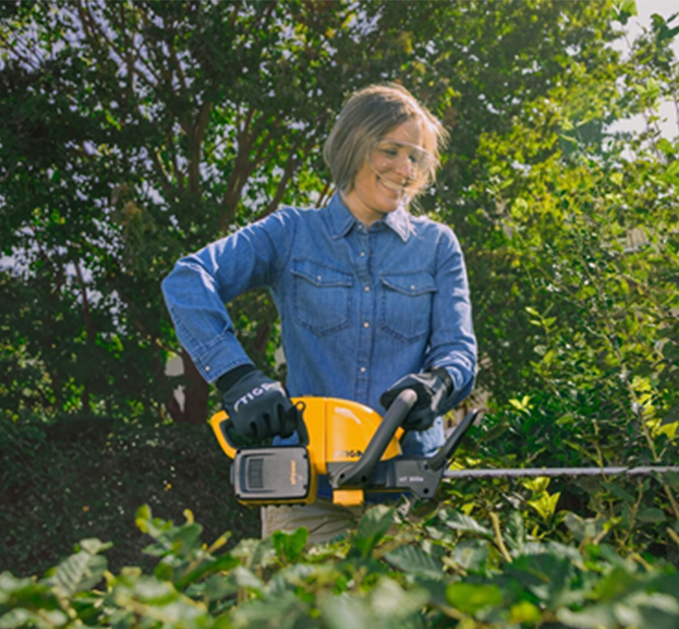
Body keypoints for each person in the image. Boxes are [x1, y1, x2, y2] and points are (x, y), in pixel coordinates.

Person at [161, 83, 477, 544]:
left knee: (401, 617)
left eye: (417, 158)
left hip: (403, 496)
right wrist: (237, 377)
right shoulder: (291, 234)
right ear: (354, 145)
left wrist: (438, 384)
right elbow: (188, 278)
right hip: (306, 494)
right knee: (304, 615)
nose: (404, 169)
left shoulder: (436, 247)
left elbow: (458, 352)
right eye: (391, 150)